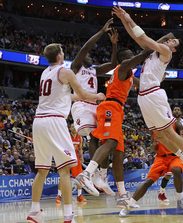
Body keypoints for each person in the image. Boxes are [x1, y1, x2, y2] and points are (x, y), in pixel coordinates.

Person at [112, 5, 183, 184]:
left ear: (173, 49)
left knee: (169, 132)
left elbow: (143, 36)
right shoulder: (153, 51)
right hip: (143, 96)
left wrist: (129, 18)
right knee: (159, 137)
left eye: (173, 41)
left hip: (154, 94)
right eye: (171, 39)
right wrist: (123, 20)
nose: (170, 40)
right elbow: (137, 37)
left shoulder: (165, 52)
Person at [27, 43, 105, 223]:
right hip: (54, 120)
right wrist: (97, 97)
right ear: (60, 56)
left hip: (39, 122)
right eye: (62, 51)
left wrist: (85, 96)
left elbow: (66, 96)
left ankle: (34, 212)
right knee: (64, 170)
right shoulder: (66, 72)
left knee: (42, 171)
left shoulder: (45, 73)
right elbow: (84, 94)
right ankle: (69, 215)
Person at [75, 46, 155, 209]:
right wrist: (154, 47)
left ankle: (123, 196)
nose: (132, 56)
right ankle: (86, 174)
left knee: (119, 154)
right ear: (123, 58)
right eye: (130, 54)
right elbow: (142, 55)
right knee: (110, 143)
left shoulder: (129, 75)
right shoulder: (123, 66)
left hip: (117, 109)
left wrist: (158, 78)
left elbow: (145, 85)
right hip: (111, 106)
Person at [70, 18, 118, 196]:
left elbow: (113, 65)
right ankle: (88, 175)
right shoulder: (76, 66)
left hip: (94, 106)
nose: (90, 56)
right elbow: (85, 49)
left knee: (103, 139)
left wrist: (113, 45)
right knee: (92, 136)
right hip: (82, 104)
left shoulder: (94, 70)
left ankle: (99, 176)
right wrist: (101, 31)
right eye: (88, 56)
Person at [119, 120, 183, 217]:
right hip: (160, 157)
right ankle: (129, 204)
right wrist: (154, 146)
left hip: (175, 156)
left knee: (176, 170)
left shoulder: (176, 124)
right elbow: (152, 148)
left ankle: (180, 200)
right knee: (147, 182)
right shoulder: (153, 127)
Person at [56, 123, 87, 204]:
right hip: (66, 157)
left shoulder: (79, 137)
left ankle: (79, 196)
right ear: (69, 128)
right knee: (63, 177)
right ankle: (59, 196)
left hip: (75, 157)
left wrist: (81, 157)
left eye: (75, 127)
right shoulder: (67, 136)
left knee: (79, 177)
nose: (74, 128)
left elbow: (80, 149)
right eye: (72, 127)